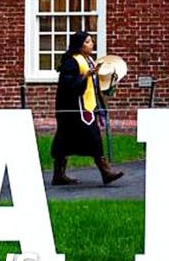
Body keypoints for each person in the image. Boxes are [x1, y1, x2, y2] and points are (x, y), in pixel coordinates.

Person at [51, 31, 124, 186]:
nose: (92, 44)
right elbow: (67, 84)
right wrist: (85, 76)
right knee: (75, 138)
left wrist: (105, 87)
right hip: (73, 110)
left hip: (87, 107)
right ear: (80, 45)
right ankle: (103, 172)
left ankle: (103, 173)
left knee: (84, 138)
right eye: (88, 42)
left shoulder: (89, 60)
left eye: (91, 41)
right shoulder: (72, 61)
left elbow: (94, 84)